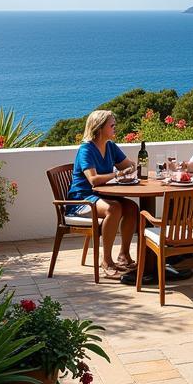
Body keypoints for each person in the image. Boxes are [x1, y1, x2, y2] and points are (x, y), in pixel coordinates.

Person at [68, 110, 138, 279]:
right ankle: (106, 261)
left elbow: (130, 165)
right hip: (82, 199)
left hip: (103, 196)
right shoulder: (86, 149)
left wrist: (128, 168)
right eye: (112, 125)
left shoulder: (110, 146)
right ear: (99, 128)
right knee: (114, 209)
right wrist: (117, 174)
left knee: (131, 207)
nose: (115, 128)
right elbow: (93, 180)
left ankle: (124, 255)